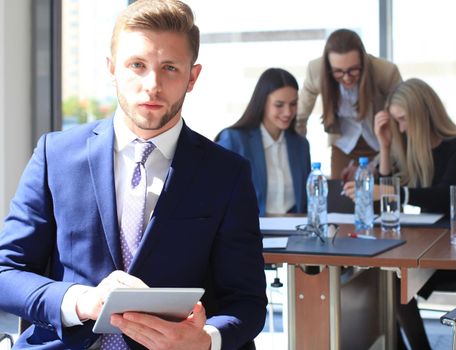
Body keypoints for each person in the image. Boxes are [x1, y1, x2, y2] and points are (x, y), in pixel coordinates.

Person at [0, 1, 266, 349]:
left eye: (170, 68)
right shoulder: (56, 155)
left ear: (192, 77)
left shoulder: (227, 173)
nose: (152, 84)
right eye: (137, 65)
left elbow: (247, 301)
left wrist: (204, 340)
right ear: (112, 69)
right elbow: (6, 273)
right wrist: (83, 302)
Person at [345, 78, 456, 349]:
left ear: (423, 114)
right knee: (385, 278)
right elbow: (388, 202)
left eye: (404, 119)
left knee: (392, 282)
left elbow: (445, 197)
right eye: (396, 122)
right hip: (428, 250)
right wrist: (385, 147)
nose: (402, 128)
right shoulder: (409, 148)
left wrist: (389, 193)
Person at [296, 28, 402, 179]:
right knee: (341, 197)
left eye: (353, 70)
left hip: (382, 143)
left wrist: (374, 166)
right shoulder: (316, 71)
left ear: (363, 62)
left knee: (379, 195)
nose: (346, 78)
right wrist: (296, 154)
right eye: (338, 72)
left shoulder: (385, 72)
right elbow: (299, 118)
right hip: (343, 145)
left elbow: (402, 121)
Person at [216, 68, 311, 217]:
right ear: (262, 103)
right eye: (279, 105)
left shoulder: (300, 145)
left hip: (294, 234)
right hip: (248, 235)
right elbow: (215, 195)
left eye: (293, 104)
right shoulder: (234, 141)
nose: (287, 112)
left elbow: (306, 202)